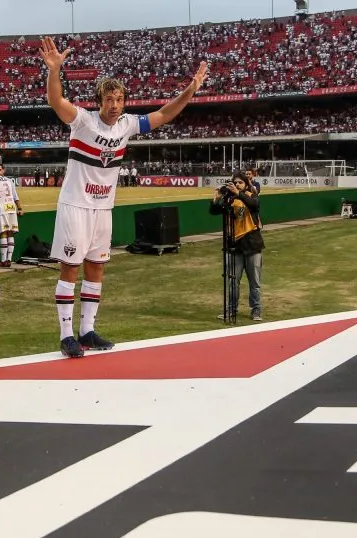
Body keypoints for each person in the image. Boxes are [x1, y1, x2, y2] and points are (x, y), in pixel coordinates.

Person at [38, 36, 208, 358]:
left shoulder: (128, 125)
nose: (114, 105)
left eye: (119, 99)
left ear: (124, 102)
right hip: (76, 205)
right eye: (108, 99)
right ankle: (65, 335)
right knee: (70, 270)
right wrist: (54, 71)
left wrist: (190, 90)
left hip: (103, 208)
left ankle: (86, 331)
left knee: (96, 269)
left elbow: (164, 115)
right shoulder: (83, 121)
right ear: (99, 101)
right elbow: (56, 102)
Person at [210, 173, 264, 321]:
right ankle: (231, 310)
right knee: (233, 281)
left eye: (240, 183)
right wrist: (217, 197)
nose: (237, 184)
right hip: (234, 245)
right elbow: (213, 211)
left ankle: (256, 310)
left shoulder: (251, 196)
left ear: (246, 184)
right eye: (235, 183)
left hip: (252, 243)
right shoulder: (229, 200)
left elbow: (254, 205)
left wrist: (238, 194)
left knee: (255, 281)